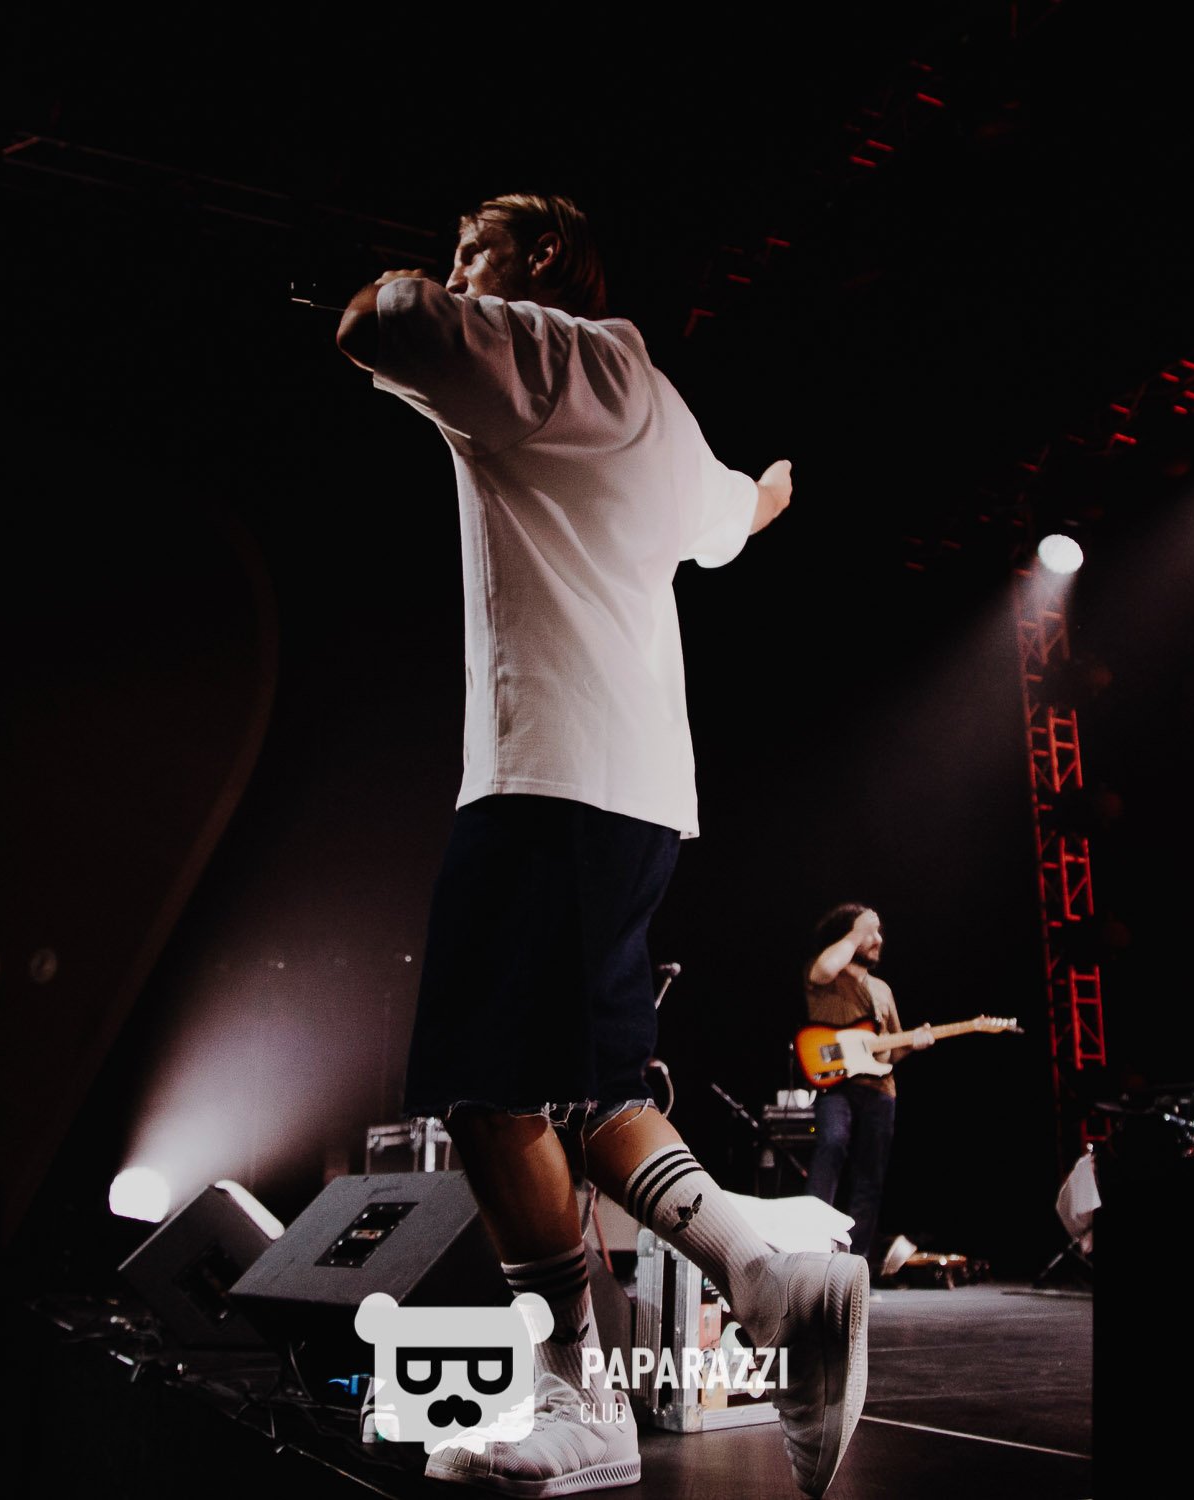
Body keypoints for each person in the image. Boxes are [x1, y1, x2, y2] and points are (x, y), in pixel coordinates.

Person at [336, 192, 864, 1497]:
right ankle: (764, 1270)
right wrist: (770, 491)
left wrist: (414, 293)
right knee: (584, 1087)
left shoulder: (530, 353)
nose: (460, 270)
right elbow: (737, 520)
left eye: (477, 249)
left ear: (542, 262)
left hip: (548, 779)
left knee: (484, 1092)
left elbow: (376, 323)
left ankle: (588, 1397)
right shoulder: (657, 404)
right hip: (632, 795)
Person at [803, 905, 933, 1278]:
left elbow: (891, 1049)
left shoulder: (882, 989)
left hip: (880, 1089)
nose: (877, 940)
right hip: (837, 1087)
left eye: (878, 932)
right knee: (831, 1146)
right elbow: (825, 967)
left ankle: (853, 1266)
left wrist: (914, 1042)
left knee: (869, 1177)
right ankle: (809, 1250)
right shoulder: (825, 973)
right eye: (869, 932)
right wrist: (857, 930)